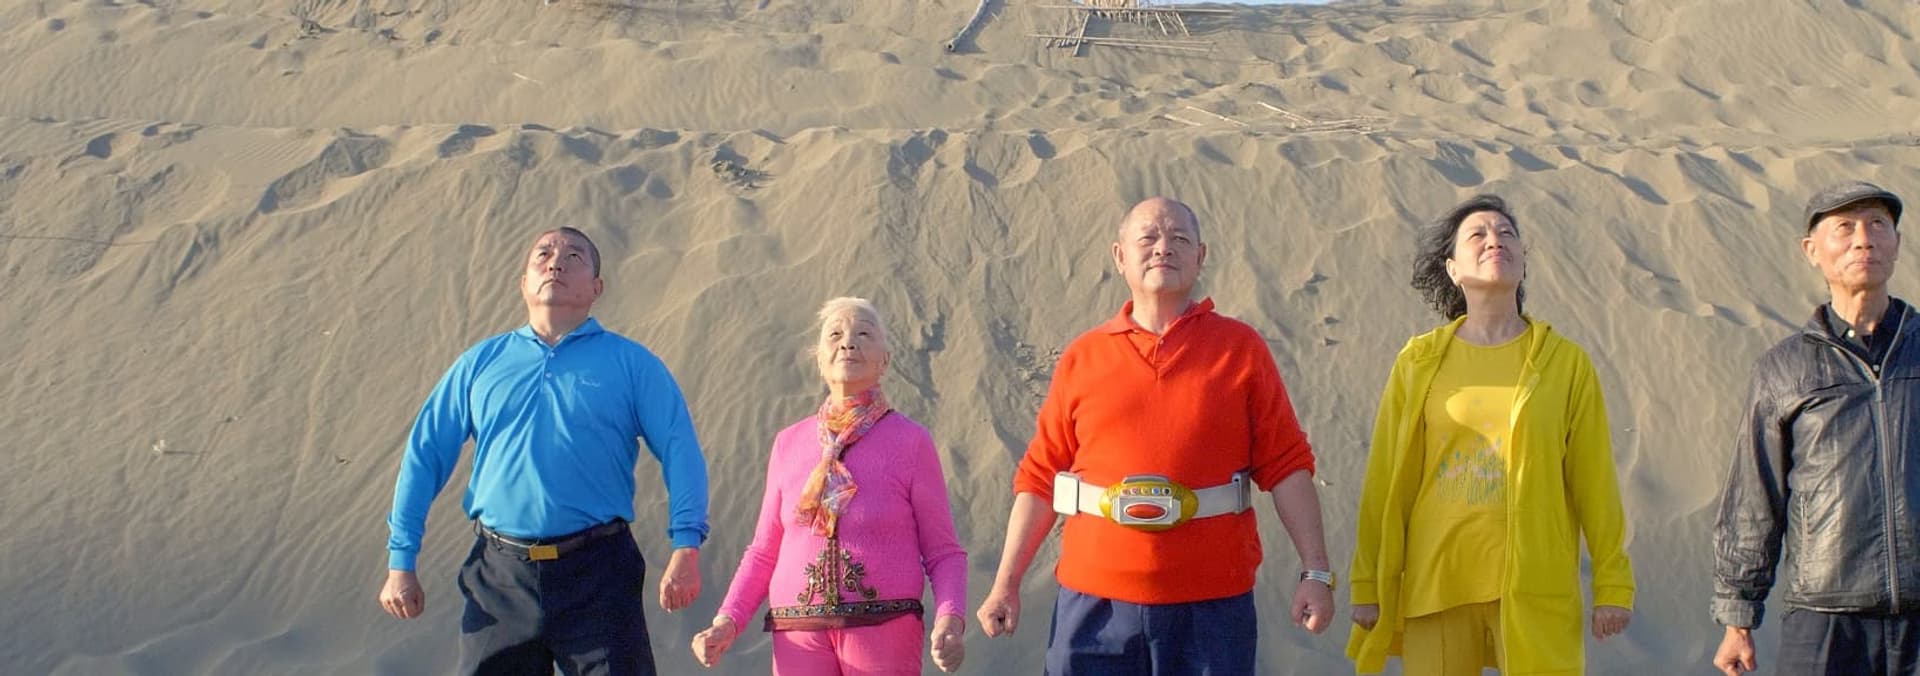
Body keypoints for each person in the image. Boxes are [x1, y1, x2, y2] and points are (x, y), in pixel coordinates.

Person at [974, 197, 1335, 675]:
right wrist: (1005, 583)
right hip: (1092, 609)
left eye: (1180, 238)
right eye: (1148, 237)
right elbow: (1040, 478)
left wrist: (1315, 572)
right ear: (1119, 256)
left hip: (1212, 609)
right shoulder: (1083, 357)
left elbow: (1287, 466)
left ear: (1201, 257)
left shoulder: (1241, 350)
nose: (1164, 248)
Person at [378, 227, 710, 675]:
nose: (556, 263)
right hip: (499, 578)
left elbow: (679, 449)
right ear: (523, 283)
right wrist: (401, 560)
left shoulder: (631, 363)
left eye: (574, 256)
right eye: (544, 254)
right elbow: (425, 455)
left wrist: (686, 545)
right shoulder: (481, 363)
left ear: (596, 287)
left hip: (599, 574)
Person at [1346, 195, 1634, 676]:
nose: (1494, 240)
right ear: (1453, 269)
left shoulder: (1565, 363)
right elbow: (1385, 480)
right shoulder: (1418, 361)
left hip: (1534, 584)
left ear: (1523, 262)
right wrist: (1367, 583)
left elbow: (1595, 481)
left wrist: (1613, 584)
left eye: (1506, 233)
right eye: (1477, 234)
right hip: (1437, 580)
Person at [691, 297, 968, 674]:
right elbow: (764, 551)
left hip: (884, 626)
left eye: (864, 334)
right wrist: (727, 621)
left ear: (885, 360)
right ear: (820, 360)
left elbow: (943, 551)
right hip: (796, 630)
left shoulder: (911, 442)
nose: (848, 343)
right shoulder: (788, 443)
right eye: (835, 334)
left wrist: (950, 620)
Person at [1712, 181, 1920, 676]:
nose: (1863, 240)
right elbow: (1755, 496)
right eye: (1844, 227)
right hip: (1824, 618)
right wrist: (1738, 616)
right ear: (1812, 250)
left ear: (1896, 243)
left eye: (1877, 225)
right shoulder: (1784, 368)